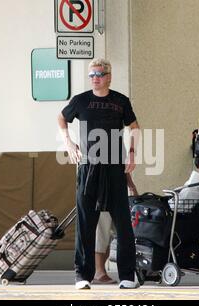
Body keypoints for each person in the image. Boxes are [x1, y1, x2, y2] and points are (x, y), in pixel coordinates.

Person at [58, 58, 140, 290]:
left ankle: (126, 276)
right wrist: (69, 143)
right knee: (86, 223)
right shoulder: (81, 101)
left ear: (109, 76)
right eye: (92, 74)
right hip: (89, 167)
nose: (95, 78)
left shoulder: (120, 101)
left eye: (100, 74)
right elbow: (61, 117)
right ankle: (82, 276)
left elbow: (135, 128)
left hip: (115, 167)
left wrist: (132, 154)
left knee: (123, 224)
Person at [93, 173, 138, 284]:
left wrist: (131, 184)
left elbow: (122, 166)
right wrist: (131, 184)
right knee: (102, 231)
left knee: (110, 234)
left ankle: (99, 270)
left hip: (115, 191)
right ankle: (98, 271)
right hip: (101, 191)